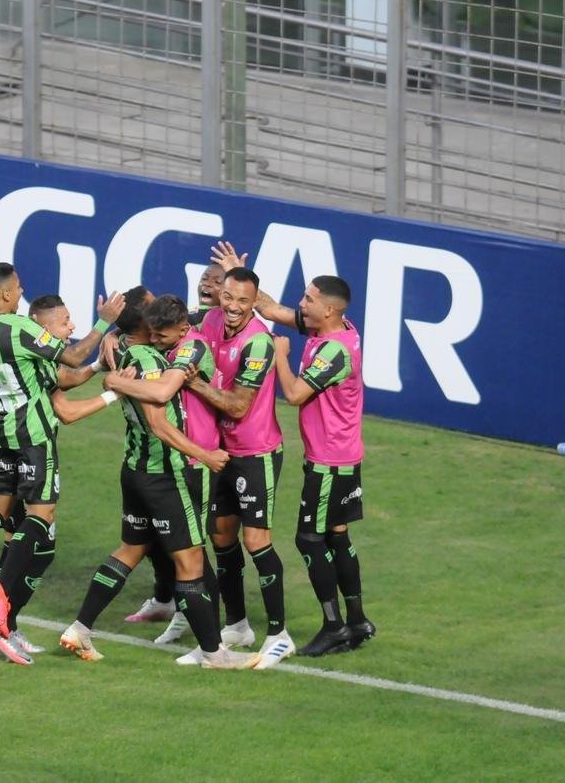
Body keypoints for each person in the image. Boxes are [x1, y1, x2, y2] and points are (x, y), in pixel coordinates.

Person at [0, 264, 123, 665]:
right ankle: (0, 591)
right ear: (4, 294)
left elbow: (59, 375)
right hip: (33, 436)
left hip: (2, 433)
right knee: (41, 516)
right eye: (17, 288)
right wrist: (104, 322)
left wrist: (96, 368)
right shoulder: (19, 329)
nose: (21, 292)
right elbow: (72, 354)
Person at [58, 293, 256, 669]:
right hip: (164, 474)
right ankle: (214, 653)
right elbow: (159, 423)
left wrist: (111, 357)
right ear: (145, 326)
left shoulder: (122, 349)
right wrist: (204, 454)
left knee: (130, 550)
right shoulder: (149, 361)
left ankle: (80, 628)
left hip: (134, 469)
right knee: (191, 562)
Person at [212, 242, 376, 655]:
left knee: (309, 540)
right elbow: (271, 309)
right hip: (343, 455)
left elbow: (296, 394)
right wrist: (238, 277)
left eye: (308, 299)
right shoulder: (333, 329)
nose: (301, 304)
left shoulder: (335, 351)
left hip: (330, 461)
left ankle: (334, 626)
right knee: (337, 536)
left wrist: (280, 355)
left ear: (329, 310)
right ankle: (358, 620)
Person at [185, 262, 295, 669]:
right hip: (221, 449)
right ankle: (237, 625)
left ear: (254, 303)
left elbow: (238, 405)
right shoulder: (210, 320)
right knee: (221, 536)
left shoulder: (259, 343)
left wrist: (194, 382)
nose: (232, 306)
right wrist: (117, 335)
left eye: (242, 301)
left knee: (256, 540)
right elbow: (168, 323)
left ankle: (279, 634)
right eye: (227, 296)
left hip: (256, 451)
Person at [107, 295, 222, 652]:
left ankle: (214, 637)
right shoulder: (170, 336)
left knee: (193, 553)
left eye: (161, 335)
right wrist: (112, 335)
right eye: (152, 334)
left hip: (195, 458)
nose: (154, 341)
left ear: (182, 329)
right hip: (177, 456)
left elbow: (161, 392)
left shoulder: (191, 347)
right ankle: (193, 621)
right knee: (181, 549)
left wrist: (115, 382)